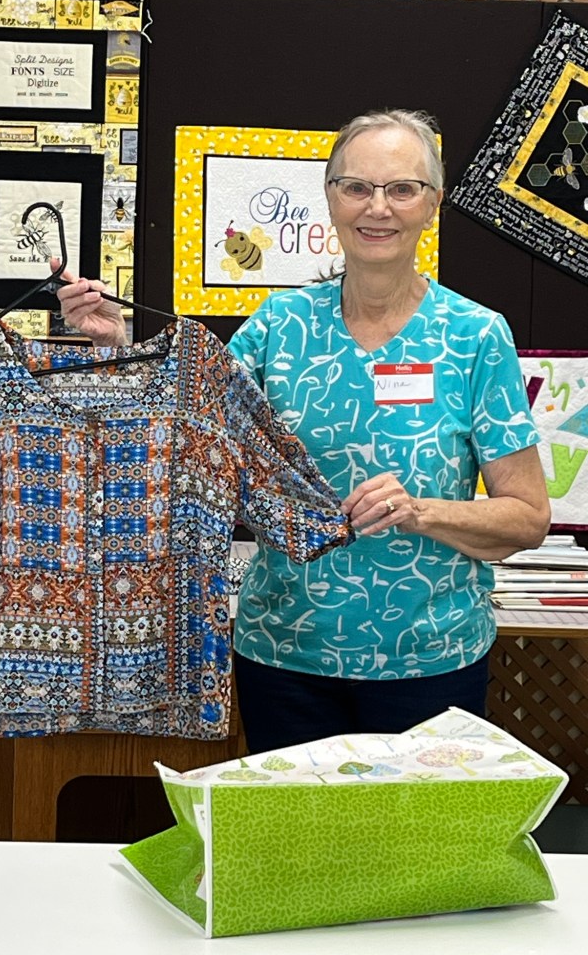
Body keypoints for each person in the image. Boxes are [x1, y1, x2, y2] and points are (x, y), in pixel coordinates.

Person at [56, 108, 551, 752]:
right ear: (331, 198)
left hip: (430, 662)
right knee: (292, 820)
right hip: (285, 658)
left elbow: (526, 518)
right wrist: (115, 348)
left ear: (433, 204)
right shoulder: (280, 324)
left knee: (413, 823)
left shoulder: (476, 337)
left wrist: (419, 511)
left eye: (402, 189)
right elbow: (179, 442)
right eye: (357, 187)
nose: (378, 207)